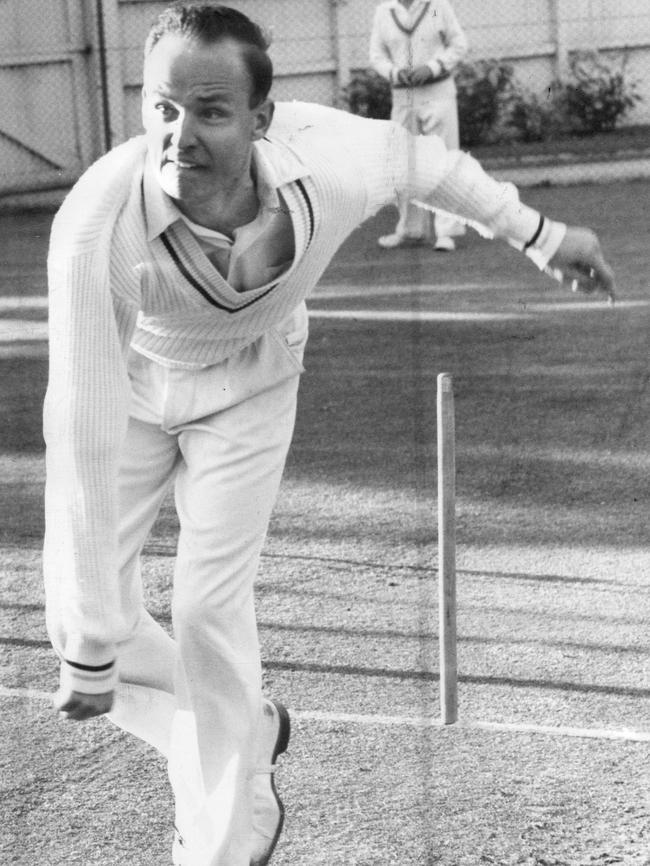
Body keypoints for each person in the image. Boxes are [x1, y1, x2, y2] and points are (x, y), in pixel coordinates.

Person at [42, 3, 615, 866]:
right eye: (162, 107)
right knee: (85, 617)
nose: (179, 135)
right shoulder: (95, 224)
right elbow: (79, 431)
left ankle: (226, 840)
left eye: (211, 111)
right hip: (126, 383)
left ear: (262, 119)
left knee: (205, 608)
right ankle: (243, 727)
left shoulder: (327, 157)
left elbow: (427, 165)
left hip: (252, 378)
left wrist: (543, 234)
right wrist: (89, 647)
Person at [370, 0, 468, 250]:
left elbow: (458, 44)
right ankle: (411, 230)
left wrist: (432, 67)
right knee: (404, 163)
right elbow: (377, 56)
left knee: (443, 161)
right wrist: (394, 73)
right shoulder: (385, 11)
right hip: (403, 96)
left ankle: (447, 231)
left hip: (438, 93)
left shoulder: (436, 6)